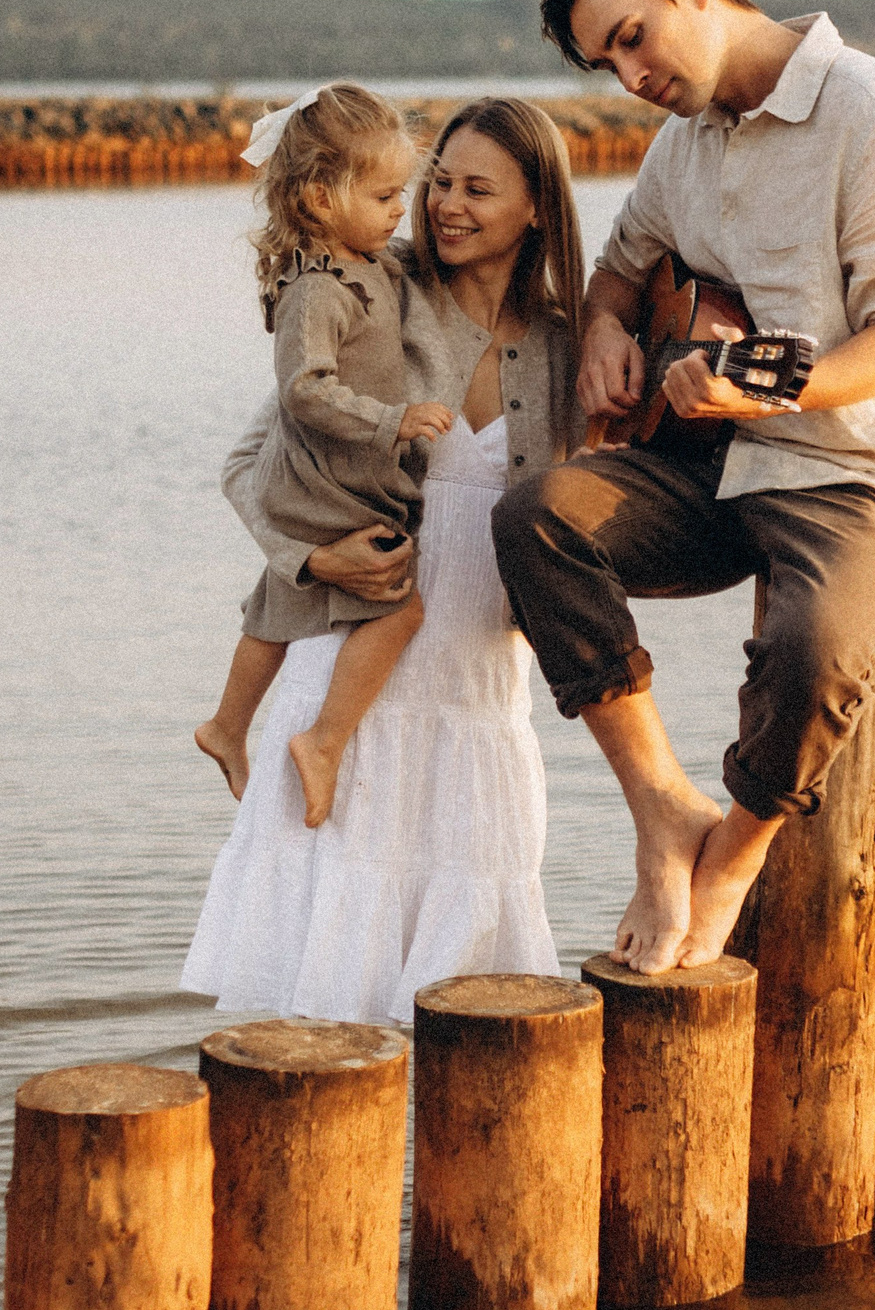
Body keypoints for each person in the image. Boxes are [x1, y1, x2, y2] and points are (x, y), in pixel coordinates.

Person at [493, 0, 875, 974]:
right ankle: (661, 810)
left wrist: (765, 388)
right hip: (720, 467)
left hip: (871, 472)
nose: (629, 76)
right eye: (606, 62)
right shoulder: (683, 145)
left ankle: (732, 854)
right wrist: (604, 331)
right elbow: (621, 266)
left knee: (809, 650)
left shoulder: (873, 109)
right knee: (537, 517)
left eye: (631, 37)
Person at [181, 97, 587, 1025]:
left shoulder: (566, 344)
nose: (445, 205)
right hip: (349, 674)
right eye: (439, 182)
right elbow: (248, 464)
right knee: (323, 993)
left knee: (476, 1000)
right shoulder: (373, 288)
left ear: (537, 206)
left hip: (479, 696)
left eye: (478, 188)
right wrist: (313, 558)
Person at [192, 83, 453, 827]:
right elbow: (304, 390)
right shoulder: (316, 288)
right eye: (383, 195)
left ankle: (227, 725)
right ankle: (324, 740)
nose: (400, 209)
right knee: (399, 612)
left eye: (401, 192)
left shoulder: (371, 261)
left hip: (339, 476)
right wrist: (394, 420)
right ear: (319, 198)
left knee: (278, 603)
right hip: (328, 479)